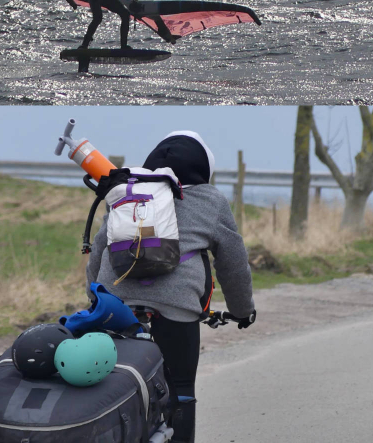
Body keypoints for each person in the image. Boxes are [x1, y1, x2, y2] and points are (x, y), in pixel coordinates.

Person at [85, 132, 255, 443]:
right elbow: (233, 263)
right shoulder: (210, 200)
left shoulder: (126, 192)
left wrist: (96, 303)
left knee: (108, 388)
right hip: (176, 310)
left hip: (115, 306)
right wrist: (242, 310)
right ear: (202, 169)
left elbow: (99, 251)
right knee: (180, 390)